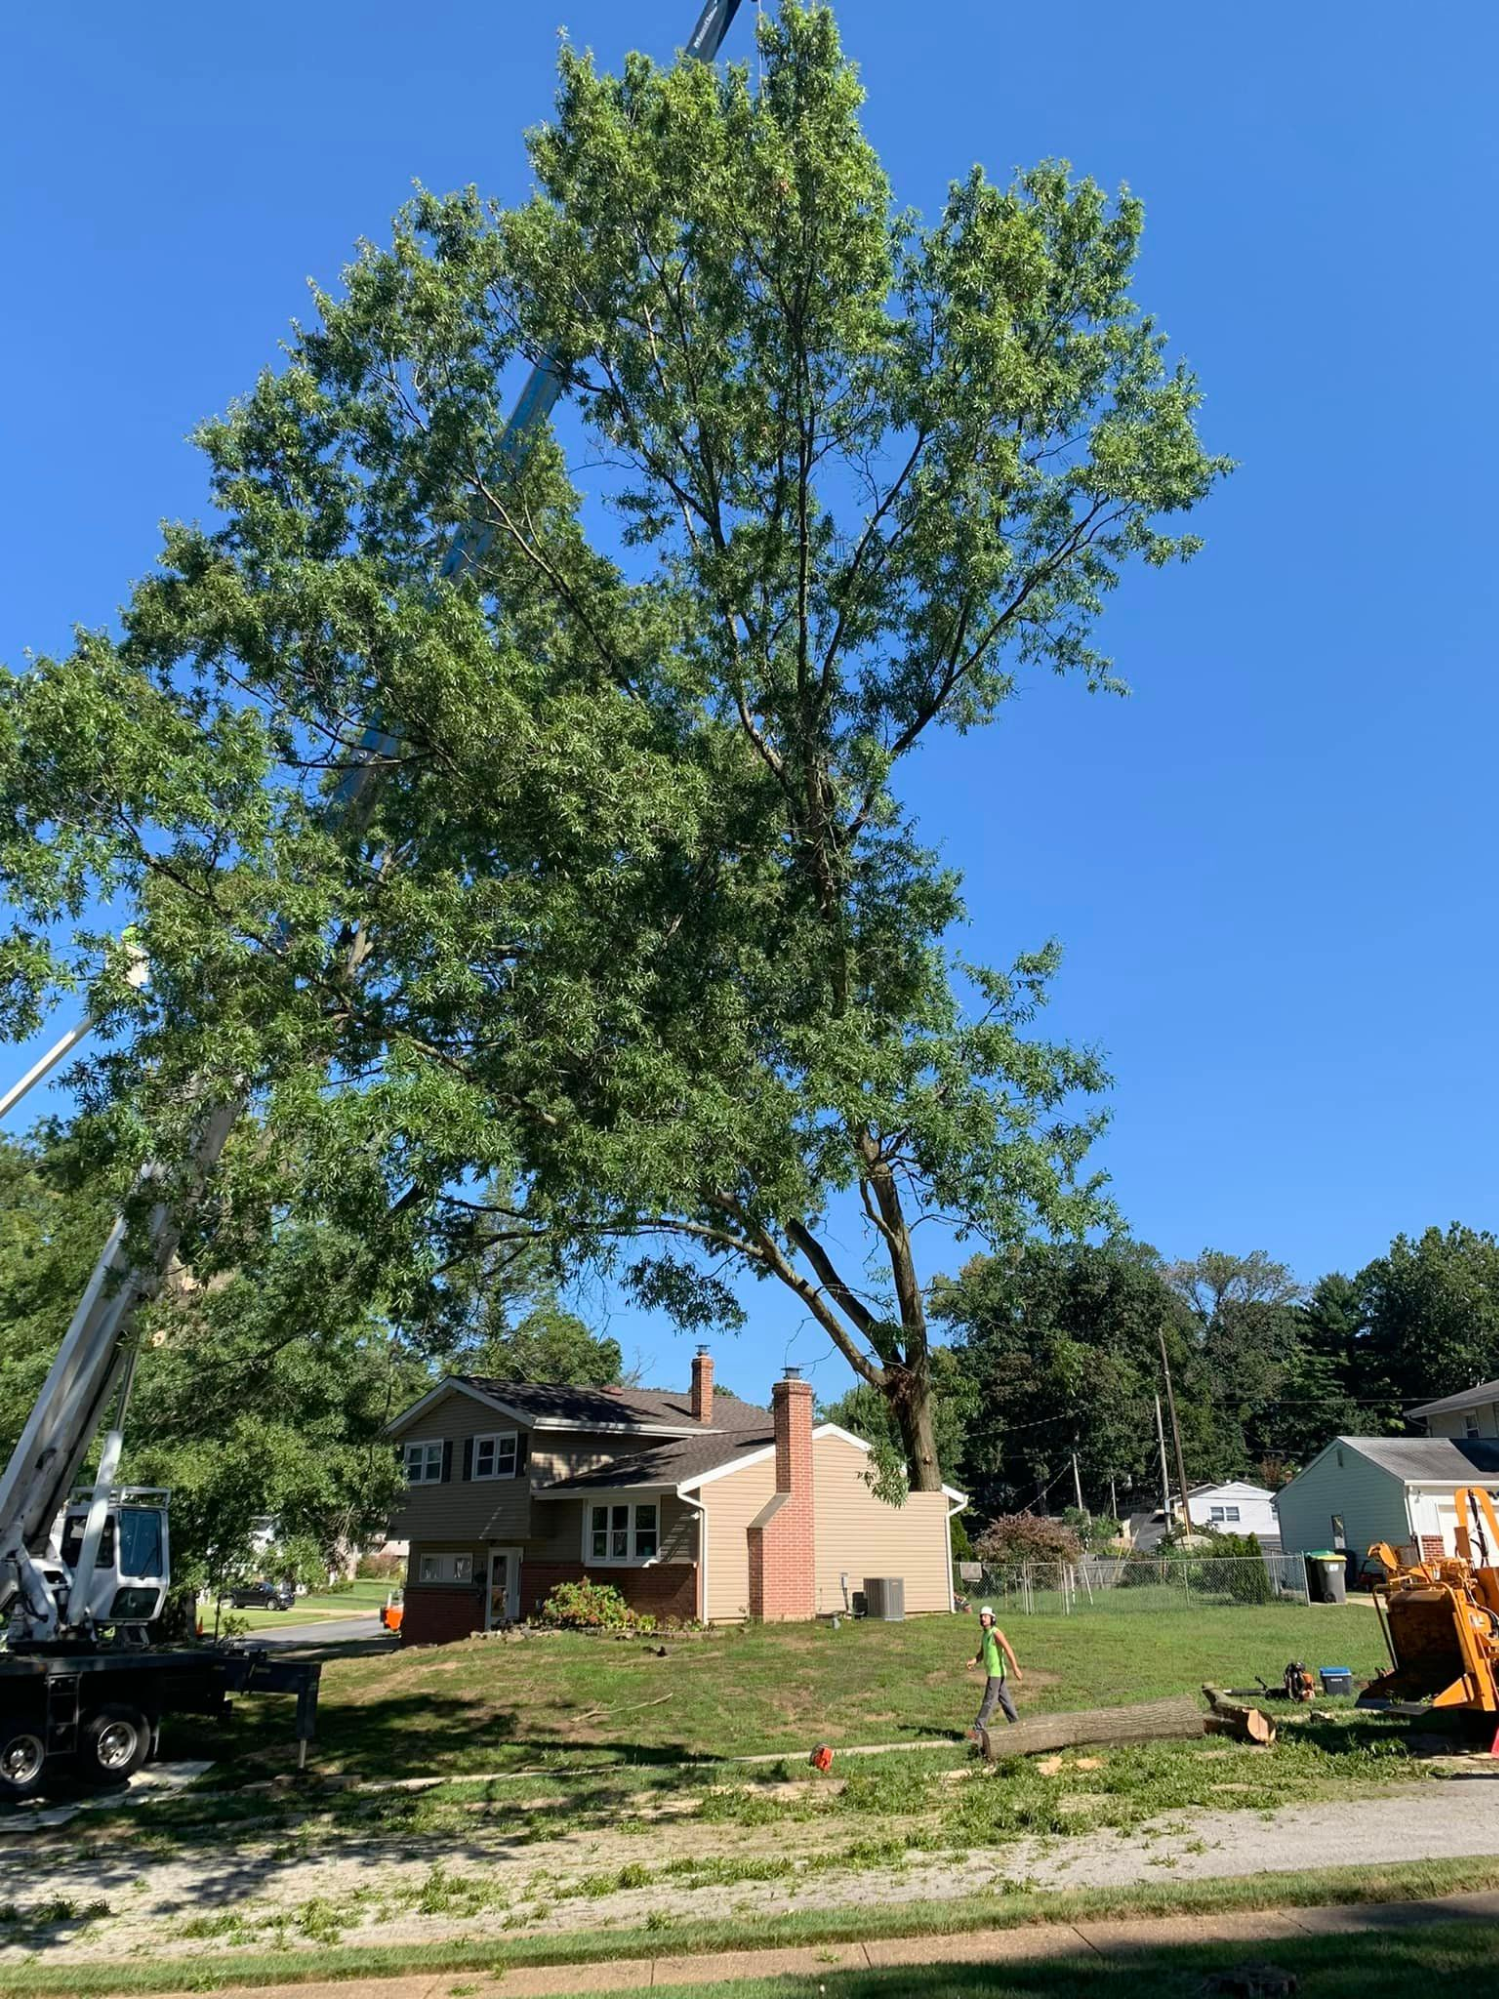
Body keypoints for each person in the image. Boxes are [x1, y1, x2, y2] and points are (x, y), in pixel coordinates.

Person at [966, 1604, 1022, 1740]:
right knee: (1006, 1701)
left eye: (986, 1616)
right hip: (994, 1673)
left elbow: (1008, 1649)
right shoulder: (985, 1634)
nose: (983, 1619)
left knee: (988, 1701)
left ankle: (976, 1731)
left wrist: (1015, 1668)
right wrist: (974, 1660)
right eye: (981, 1616)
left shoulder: (996, 1633)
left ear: (992, 1618)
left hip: (996, 1674)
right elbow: (982, 1653)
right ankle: (1018, 1727)